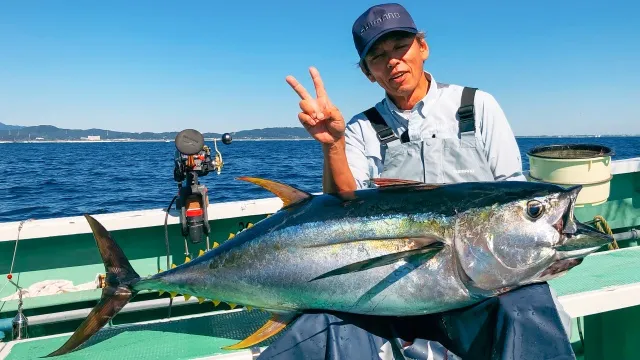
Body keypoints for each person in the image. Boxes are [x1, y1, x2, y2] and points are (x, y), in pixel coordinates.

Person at [259, 3, 576, 360]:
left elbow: (512, 189)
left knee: (528, 309)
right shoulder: (364, 128)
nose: (392, 61)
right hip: (393, 292)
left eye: (400, 47)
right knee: (317, 330)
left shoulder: (476, 105)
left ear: (422, 47)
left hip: (480, 283)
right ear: (368, 73)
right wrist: (334, 145)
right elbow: (340, 206)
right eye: (377, 56)